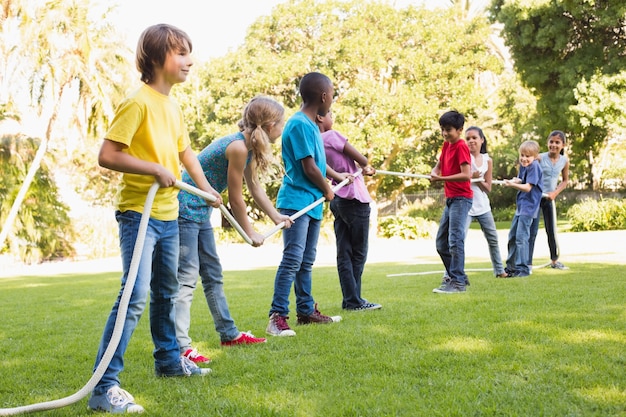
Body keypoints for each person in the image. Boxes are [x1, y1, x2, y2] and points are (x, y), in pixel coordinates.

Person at [88, 24, 219, 414]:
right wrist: (152, 169)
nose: (189, 61)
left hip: (170, 215)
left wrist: (206, 187)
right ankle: (103, 387)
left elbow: (186, 153)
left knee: (166, 293)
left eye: (189, 52)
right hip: (138, 216)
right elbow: (108, 155)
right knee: (134, 297)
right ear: (156, 58)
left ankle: (168, 363)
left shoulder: (173, 106)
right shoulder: (138, 102)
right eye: (181, 53)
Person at [175, 96, 293, 363]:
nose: (282, 129)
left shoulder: (248, 147)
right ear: (271, 124)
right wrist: (250, 232)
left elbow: (254, 188)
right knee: (186, 278)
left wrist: (276, 216)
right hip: (185, 209)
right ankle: (180, 347)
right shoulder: (238, 147)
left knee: (213, 275)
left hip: (200, 212)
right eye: (281, 123)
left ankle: (229, 334)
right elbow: (236, 199)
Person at [266, 72, 345, 336]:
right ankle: (277, 316)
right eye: (332, 93)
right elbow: (308, 167)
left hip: (313, 203)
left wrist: (335, 177)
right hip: (296, 201)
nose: (332, 98)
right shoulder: (299, 124)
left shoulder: (312, 125)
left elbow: (319, 165)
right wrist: (327, 189)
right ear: (323, 96)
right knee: (292, 259)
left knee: (306, 261)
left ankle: (306, 311)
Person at [316, 110, 381, 311]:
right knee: (359, 253)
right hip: (355, 198)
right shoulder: (332, 136)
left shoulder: (314, 141)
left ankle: (350, 300)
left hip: (337, 199)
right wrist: (366, 167)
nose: (332, 119)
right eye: (330, 115)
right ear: (320, 118)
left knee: (344, 253)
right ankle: (354, 301)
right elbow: (361, 158)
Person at [430, 110, 473, 294]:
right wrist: (434, 173)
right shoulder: (446, 145)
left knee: (455, 240)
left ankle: (457, 283)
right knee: (441, 242)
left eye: (449, 130)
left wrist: (442, 179)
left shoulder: (461, 146)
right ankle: (458, 275)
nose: (445, 133)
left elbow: (466, 175)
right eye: (442, 130)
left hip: (462, 199)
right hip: (450, 199)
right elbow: (439, 166)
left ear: (460, 130)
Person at [465, 126, 507, 278]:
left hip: (482, 206)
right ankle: (451, 273)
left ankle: (499, 270)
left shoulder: (487, 160)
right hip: (465, 205)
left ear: (481, 140)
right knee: (458, 240)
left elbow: (488, 188)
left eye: (474, 138)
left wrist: (477, 178)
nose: (471, 141)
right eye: (468, 138)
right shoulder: (463, 158)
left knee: (493, 239)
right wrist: (471, 176)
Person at [528, 130, 570, 271]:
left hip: (549, 199)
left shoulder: (564, 161)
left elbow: (565, 181)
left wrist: (555, 193)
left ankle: (554, 260)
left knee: (551, 230)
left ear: (563, 145)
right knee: (532, 231)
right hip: (535, 198)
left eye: (557, 142)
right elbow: (527, 171)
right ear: (547, 143)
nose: (553, 145)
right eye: (551, 142)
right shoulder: (539, 158)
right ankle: (528, 263)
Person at [503, 140, 543, 278]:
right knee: (513, 236)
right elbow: (521, 180)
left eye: (528, 156)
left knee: (521, 237)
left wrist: (511, 185)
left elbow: (527, 187)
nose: (524, 159)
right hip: (521, 206)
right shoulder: (524, 166)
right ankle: (511, 267)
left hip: (529, 207)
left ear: (534, 156)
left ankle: (523, 269)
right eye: (522, 155)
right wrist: (513, 181)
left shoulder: (535, 166)